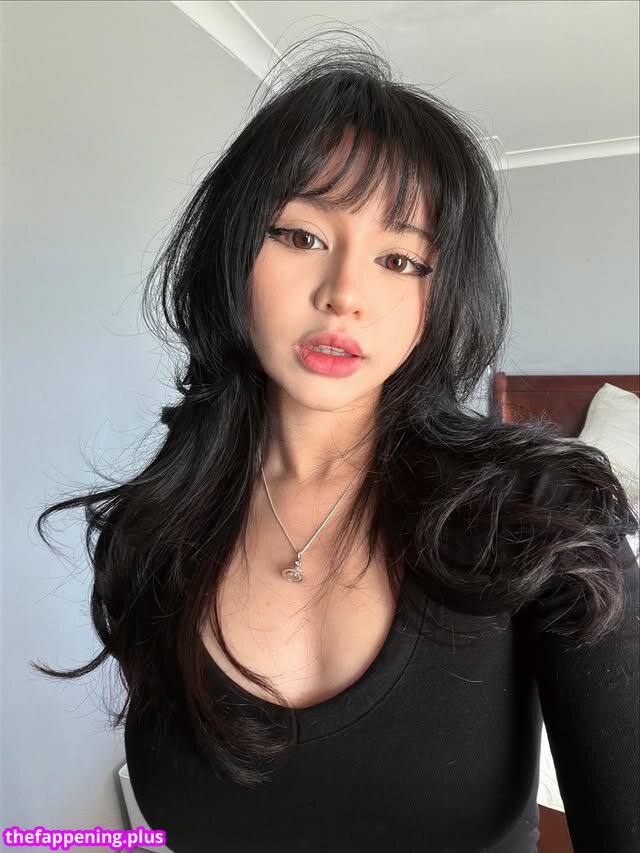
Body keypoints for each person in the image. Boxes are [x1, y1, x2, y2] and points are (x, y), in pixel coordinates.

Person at [34, 30, 639, 853]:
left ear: (441, 298)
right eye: (301, 235)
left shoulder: (543, 516)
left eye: (401, 259)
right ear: (234, 251)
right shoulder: (156, 530)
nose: (345, 293)